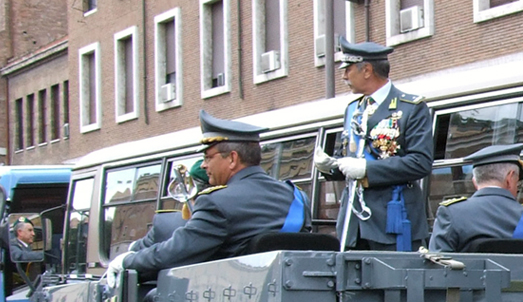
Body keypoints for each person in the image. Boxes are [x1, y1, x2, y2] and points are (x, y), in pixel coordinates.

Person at [104, 110, 310, 288]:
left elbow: (178, 252)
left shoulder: (217, 202)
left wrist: (127, 261)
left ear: (232, 158)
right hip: (292, 293)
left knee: (152, 300)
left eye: (208, 157)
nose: (203, 165)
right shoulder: (296, 196)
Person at [314, 37, 433, 251]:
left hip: (392, 218)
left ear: (367, 70)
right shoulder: (353, 109)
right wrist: (332, 167)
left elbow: (420, 163)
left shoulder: (411, 108)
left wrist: (367, 169)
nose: (343, 76)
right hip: (353, 222)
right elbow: (353, 158)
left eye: (348, 69)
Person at [428, 143, 523, 253]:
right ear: (510, 178)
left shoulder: (452, 214)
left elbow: (438, 269)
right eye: (518, 182)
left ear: (474, 182)